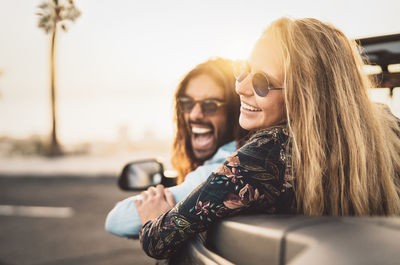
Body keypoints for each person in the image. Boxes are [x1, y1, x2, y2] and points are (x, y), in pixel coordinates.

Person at [137, 17, 400, 259]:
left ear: (305, 96)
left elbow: (158, 240)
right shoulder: (387, 130)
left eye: (262, 82)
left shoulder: (267, 153)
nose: (240, 87)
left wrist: (153, 216)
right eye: (244, 70)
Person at [105, 58, 247, 238]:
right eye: (187, 103)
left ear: (236, 112)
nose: (195, 114)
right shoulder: (241, 160)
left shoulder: (220, 172)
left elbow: (117, 220)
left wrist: (159, 209)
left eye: (211, 105)